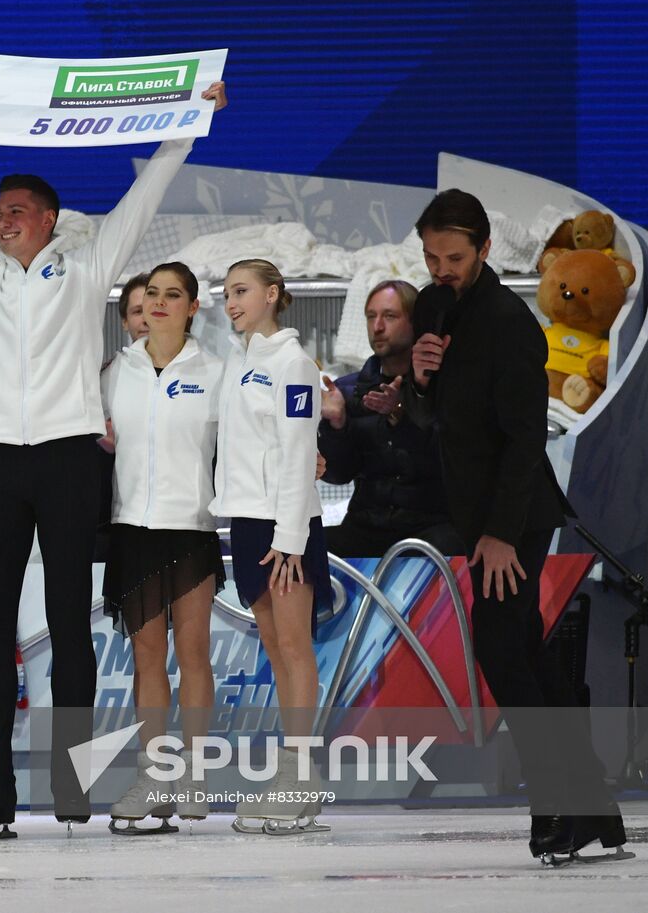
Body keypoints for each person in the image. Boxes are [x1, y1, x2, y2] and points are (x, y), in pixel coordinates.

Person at [0, 65, 228, 836]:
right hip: (2, 464)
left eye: (13, 210)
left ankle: (73, 783)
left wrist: (188, 124)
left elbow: (144, 202)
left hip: (73, 461)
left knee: (71, 625)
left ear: (46, 217)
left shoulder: (90, 265)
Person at [403, 189, 625, 863]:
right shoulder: (435, 309)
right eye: (432, 256)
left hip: (515, 514)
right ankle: (594, 811)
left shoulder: (508, 321)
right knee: (523, 653)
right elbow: (434, 421)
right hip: (478, 514)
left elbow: (529, 436)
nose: (442, 268)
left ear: (485, 250)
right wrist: (417, 381)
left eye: (455, 257)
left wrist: (500, 531)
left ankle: (554, 799)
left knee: (501, 649)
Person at [210, 258, 333, 836]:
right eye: (226, 293)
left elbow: (295, 454)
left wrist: (290, 539)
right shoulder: (239, 362)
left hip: (288, 526)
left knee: (293, 646)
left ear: (273, 295)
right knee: (276, 650)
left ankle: (304, 777)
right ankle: (293, 776)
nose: (231, 301)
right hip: (248, 523)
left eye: (241, 291)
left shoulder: (293, 364)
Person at [99, 263, 223, 834]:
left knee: (193, 652)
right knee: (147, 658)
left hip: (191, 527)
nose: (160, 303)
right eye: (152, 294)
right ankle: (155, 774)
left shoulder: (218, 372)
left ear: (193, 307)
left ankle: (195, 774)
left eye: (173, 295)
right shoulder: (112, 373)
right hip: (131, 529)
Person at [317, 280, 463, 557]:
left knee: (446, 546)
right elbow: (337, 476)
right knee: (304, 549)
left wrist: (399, 413)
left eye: (390, 316)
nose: (378, 326)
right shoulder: (348, 390)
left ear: (416, 322)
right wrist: (337, 424)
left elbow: (450, 464)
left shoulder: (445, 387)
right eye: (371, 316)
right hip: (366, 525)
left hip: (431, 526)